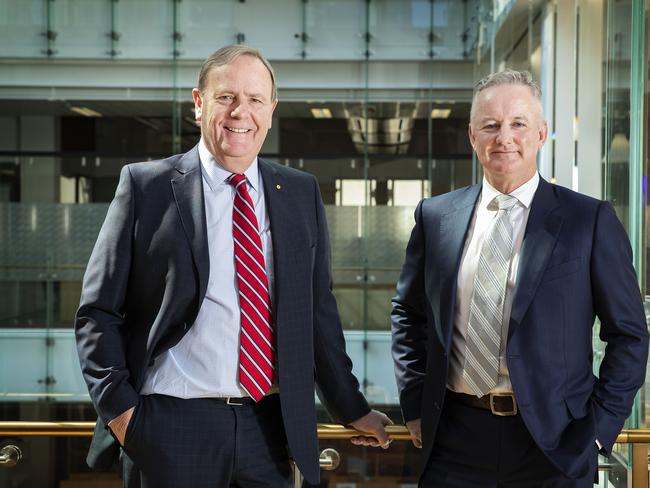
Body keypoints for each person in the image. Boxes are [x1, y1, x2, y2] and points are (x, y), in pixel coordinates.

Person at [75, 44, 391, 488]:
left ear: (271, 109)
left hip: (270, 428)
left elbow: (316, 313)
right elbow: (97, 314)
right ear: (199, 103)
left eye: (255, 99)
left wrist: (351, 408)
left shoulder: (299, 194)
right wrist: (124, 416)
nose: (241, 112)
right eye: (226, 97)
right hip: (171, 424)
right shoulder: (147, 186)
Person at [391, 69, 649, 487]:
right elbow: (408, 313)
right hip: (454, 439)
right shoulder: (436, 216)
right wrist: (416, 404)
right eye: (490, 125)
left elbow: (630, 335)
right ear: (473, 135)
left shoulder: (589, 220)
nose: (503, 137)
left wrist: (599, 430)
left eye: (518, 124)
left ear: (542, 133)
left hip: (554, 445)